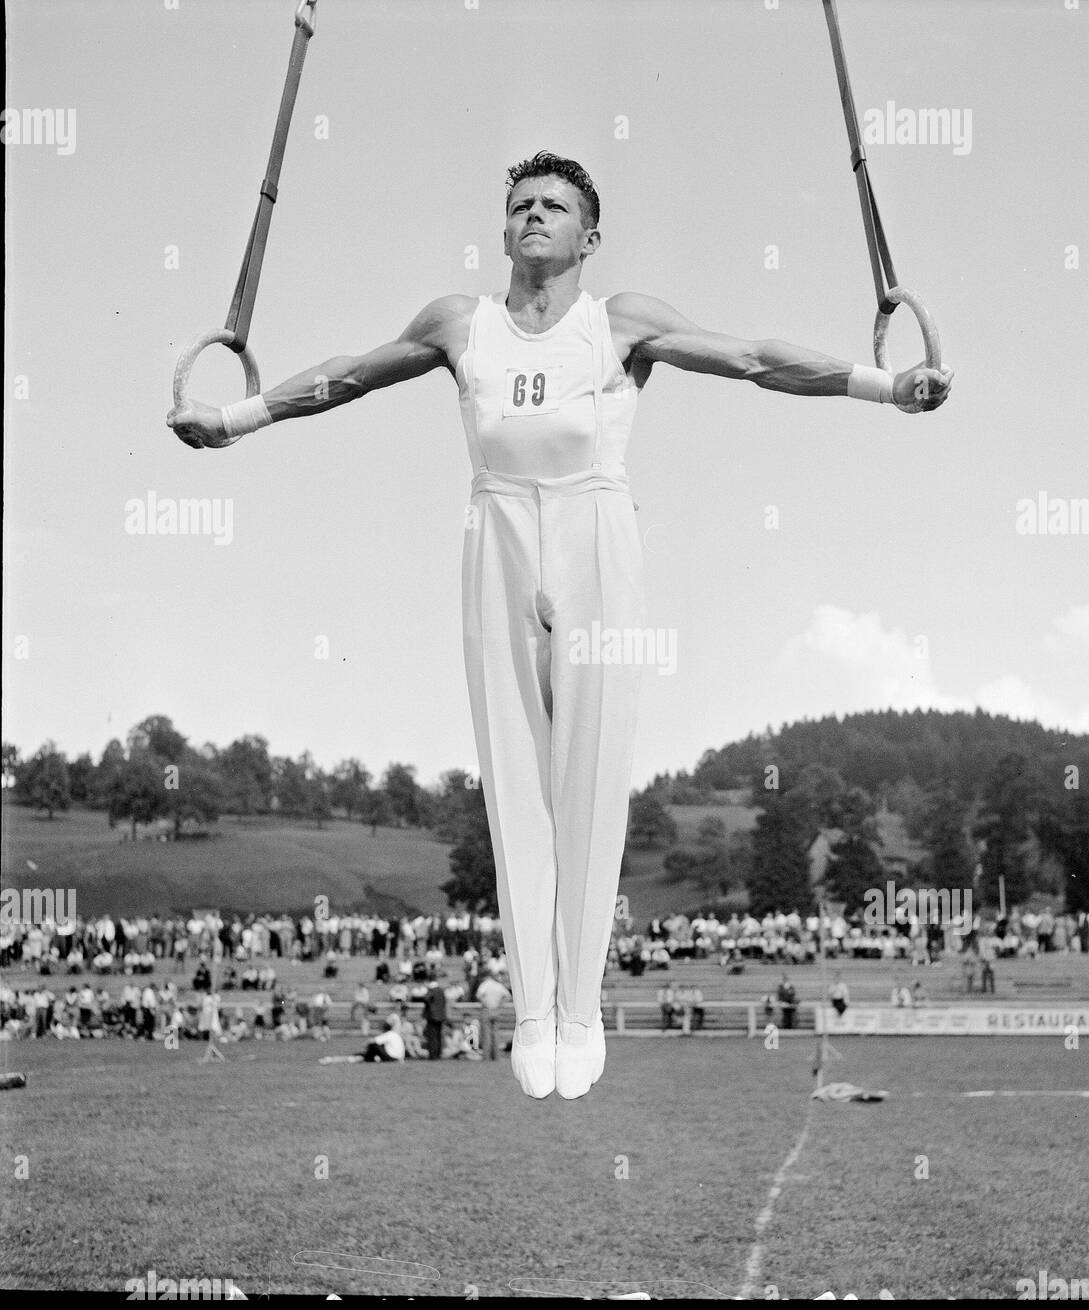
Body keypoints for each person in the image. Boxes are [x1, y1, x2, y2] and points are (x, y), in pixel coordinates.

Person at [168, 151, 952, 1101]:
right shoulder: (459, 323)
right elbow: (348, 377)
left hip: (594, 531)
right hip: (495, 529)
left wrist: (884, 385)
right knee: (514, 780)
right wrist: (237, 418)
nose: (534, 215)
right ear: (503, 229)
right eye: (520, 205)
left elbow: (753, 359)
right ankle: (533, 1010)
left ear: (590, 236)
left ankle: (580, 1010)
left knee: (587, 779)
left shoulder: (618, 322)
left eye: (554, 206)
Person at [474, 971, 511, 1061]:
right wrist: (500, 1004)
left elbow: (478, 995)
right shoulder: (499, 986)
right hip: (496, 1010)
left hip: (487, 1010)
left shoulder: (485, 984)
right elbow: (508, 996)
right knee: (495, 1034)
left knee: (486, 1034)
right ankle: (496, 1056)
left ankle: (487, 1056)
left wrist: (485, 1003)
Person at [423, 973, 448, 1060]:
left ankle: (433, 1055)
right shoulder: (441, 990)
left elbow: (426, 998)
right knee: (438, 1035)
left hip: (432, 1016)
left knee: (432, 1036)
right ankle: (438, 1053)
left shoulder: (432, 990)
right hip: (440, 1016)